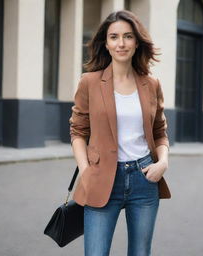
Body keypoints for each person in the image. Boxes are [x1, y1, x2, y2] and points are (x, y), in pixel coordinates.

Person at [69, 10, 171, 256]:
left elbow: (160, 131)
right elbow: (78, 132)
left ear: (137, 42)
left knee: (140, 252)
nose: (121, 43)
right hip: (102, 178)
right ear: (106, 43)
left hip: (144, 178)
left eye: (128, 36)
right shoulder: (90, 82)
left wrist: (163, 162)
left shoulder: (151, 84)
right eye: (114, 37)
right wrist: (85, 171)